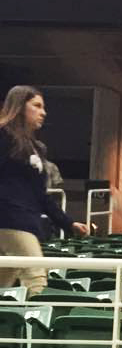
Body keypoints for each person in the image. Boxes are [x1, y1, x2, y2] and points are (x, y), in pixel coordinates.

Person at [0, 85, 89, 298]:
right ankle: (38, 319)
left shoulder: (35, 147)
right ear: (20, 107)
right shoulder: (3, 136)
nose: (43, 112)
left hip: (24, 221)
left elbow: (40, 194)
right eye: (37, 106)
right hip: (10, 221)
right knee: (36, 278)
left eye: (43, 107)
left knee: (3, 283)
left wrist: (68, 223)